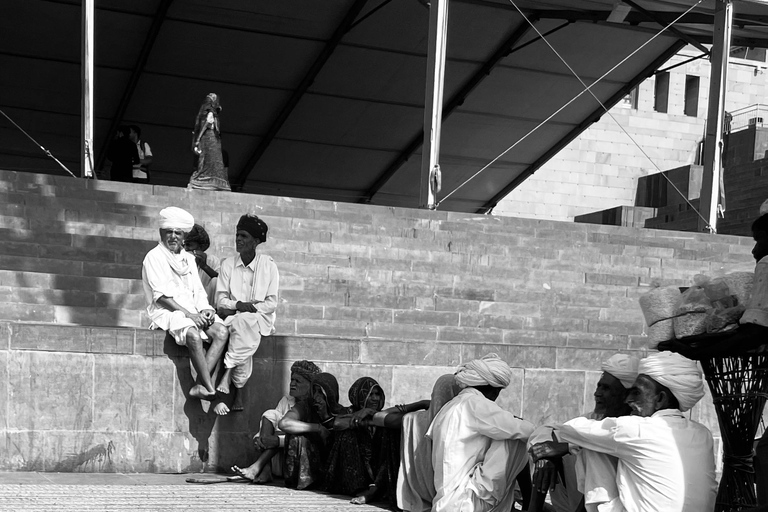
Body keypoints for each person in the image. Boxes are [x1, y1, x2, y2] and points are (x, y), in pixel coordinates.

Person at [550, 351, 717, 512]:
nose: (629, 400)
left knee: (594, 447)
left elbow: (571, 428)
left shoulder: (637, 429)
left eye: (636, 393)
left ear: (660, 399)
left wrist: (568, 446)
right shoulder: (703, 434)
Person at [528, 354, 639, 512]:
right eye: (599, 386)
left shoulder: (639, 426)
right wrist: (547, 456)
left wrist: (568, 446)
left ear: (627, 396)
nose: (597, 394)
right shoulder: (591, 419)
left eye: (606, 388)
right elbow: (549, 432)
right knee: (546, 455)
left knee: (594, 451)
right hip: (579, 503)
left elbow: (599, 439)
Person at [428, 353, 535, 512]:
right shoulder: (477, 404)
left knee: (509, 431)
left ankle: (526, 501)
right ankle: (530, 502)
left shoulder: (450, 407)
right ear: (495, 389)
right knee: (515, 437)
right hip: (467, 502)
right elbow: (527, 430)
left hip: (446, 501)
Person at [141, 206, 228, 400]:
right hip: (166, 311)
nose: (172, 236)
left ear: (183, 236)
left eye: (177, 233)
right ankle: (209, 387)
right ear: (161, 233)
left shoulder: (189, 258)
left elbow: (198, 290)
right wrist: (189, 315)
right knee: (193, 335)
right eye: (168, 232)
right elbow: (161, 297)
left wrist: (205, 310)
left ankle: (199, 386)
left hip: (193, 310)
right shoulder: (153, 257)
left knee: (222, 332)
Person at [324, 377, 428, 506]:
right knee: (348, 433)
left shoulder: (381, 415)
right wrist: (368, 420)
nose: (374, 398)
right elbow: (338, 423)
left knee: (389, 431)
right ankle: (362, 488)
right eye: (369, 394)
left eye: (377, 394)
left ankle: (376, 488)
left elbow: (400, 416)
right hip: (353, 472)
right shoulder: (349, 412)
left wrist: (370, 413)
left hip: (377, 468)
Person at [213, 214, 279, 414]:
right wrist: (239, 305)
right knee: (242, 324)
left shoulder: (269, 265)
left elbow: (271, 303)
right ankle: (238, 390)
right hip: (232, 314)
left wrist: (251, 309)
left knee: (245, 322)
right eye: (237, 235)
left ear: (256, 241)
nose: (238, 240)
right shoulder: (227, 265)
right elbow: (221, 301)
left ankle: (228, 374)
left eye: (244, 236)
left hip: (260, 317)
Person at [230, 360, 321, 483]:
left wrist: (278, 441)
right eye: (291, 380)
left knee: (282, 431)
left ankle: (257, 468)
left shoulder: (316, 405)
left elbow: (309, 437)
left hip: (298, 461)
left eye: (298, 381)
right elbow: (272, 424)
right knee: (271, 413)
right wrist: (260, 439)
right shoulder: (286, 400)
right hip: (278, 460)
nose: (292, 384)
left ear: (310, 385)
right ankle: (265, 469)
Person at [397, 374, 461, 512]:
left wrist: (420, 404)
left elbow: (379, 417)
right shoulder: (464, 422)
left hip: (423, 497)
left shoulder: (415, 420)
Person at [278, 372, 346, 490]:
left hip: (333, 467)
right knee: (296, 436)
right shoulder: (305, 406)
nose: (316, 396)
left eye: (321, 392)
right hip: (313, 465)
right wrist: (317, 428)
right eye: (314, 391)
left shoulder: (341, 412)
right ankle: (304, 481)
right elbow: (284, 423)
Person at [189, 92, 230, 191]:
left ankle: (210, 179)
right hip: (210, 138)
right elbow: (207, 123)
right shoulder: (210, 110)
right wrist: (198, 139)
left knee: (209, 157)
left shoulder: (204, 111)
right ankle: (209, 179)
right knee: (211, 157)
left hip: (208, 138)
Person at [184, 224, 220, 308]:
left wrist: (204, 266)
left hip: (206, 303)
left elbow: (222, 282)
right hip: (186, 303)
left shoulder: (212, 260)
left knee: (215, 280)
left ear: (200, 247)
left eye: (189, 245)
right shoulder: (180, 260)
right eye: (183, 245)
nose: (185, 249)